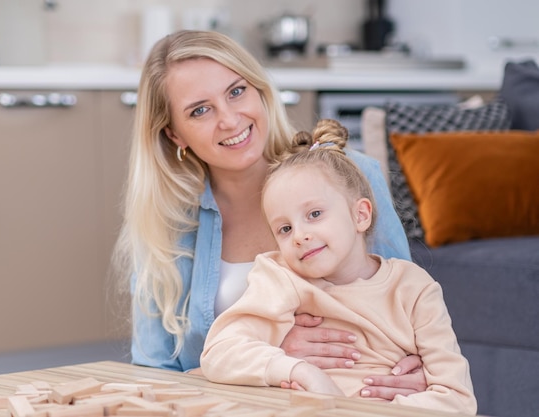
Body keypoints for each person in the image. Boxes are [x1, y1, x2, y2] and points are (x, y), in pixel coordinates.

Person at [115, 29, 427, 399]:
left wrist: (421, 371)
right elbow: (153, 376)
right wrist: (271, 358)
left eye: (236, 91)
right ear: (174, 135)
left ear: (260, 90)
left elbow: (409, 311)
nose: (230, 120)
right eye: (200, 110)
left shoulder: (349, 174)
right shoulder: (167, 225)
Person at [200, 119, 477, 414]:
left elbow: (457, 399)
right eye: (284, 229)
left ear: (360, 215)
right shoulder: (281, 276)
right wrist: (301, 372)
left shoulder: (414, 288)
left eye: (315, 214)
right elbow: (220, 352)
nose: (299, 235)